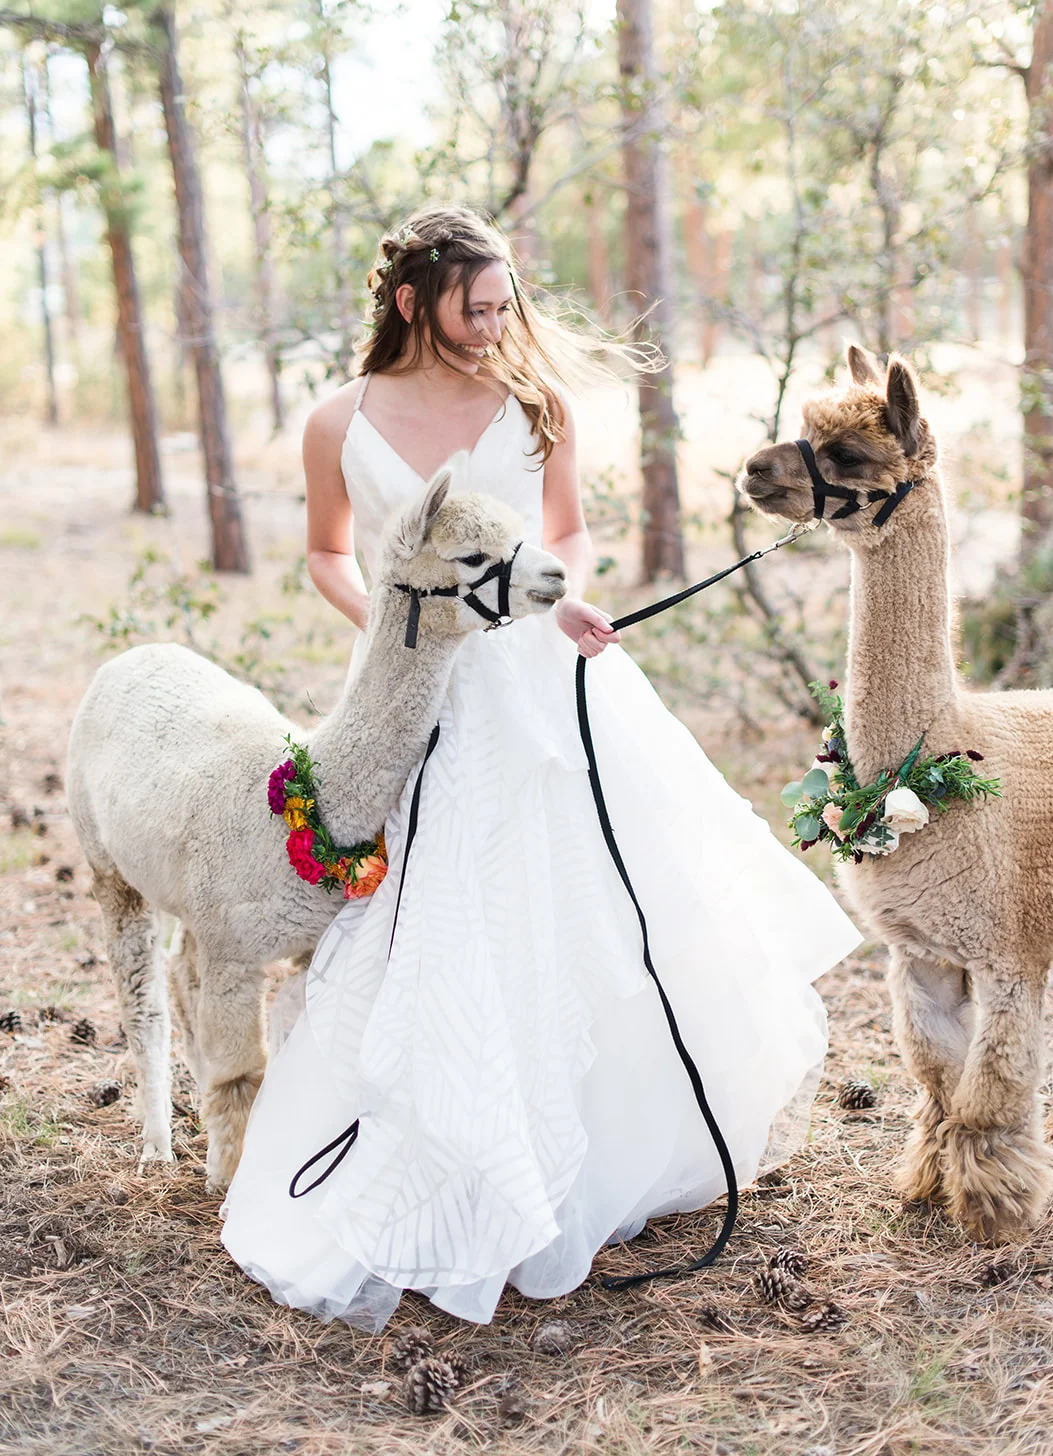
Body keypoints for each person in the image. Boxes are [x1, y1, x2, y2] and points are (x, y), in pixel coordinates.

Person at [221, 204, 861, 1331]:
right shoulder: (337, 420)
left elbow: (562, 537)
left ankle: (579, 1163)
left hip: (542, 682)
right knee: (436, 912)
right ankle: (444, 1160)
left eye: (506, 301)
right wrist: (397, 623)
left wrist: (560, 604)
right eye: (477, 305)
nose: (498, 321)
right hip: (419, 691)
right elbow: (326, 552)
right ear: (414, 301)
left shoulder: (536, 409)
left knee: (585, 910)